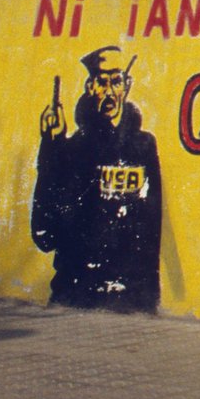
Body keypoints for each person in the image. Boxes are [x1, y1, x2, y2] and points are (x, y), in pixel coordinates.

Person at [31, 46, 162, 313]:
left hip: (131, 297)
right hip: (75, 293)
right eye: (102, 82)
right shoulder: (70, 150)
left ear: (127, 86)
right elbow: (44, 235)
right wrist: (51, 146)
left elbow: (151, 227)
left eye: (116, 81)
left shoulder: (143, 147)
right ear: (90, 87)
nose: (109, 91)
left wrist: (148, 293)